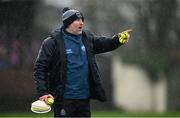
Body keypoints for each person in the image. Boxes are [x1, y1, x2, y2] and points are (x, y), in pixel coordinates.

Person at [33, 7, 132, 117]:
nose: (81, 23)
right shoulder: (52, 42)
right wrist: (43, 92)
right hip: (64, 100)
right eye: (77, 20)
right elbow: (40, 68)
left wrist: (117, 40)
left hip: (83, 99)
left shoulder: (87, 38)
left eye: (82, 20)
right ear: (68, 23)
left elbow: (105, 43)